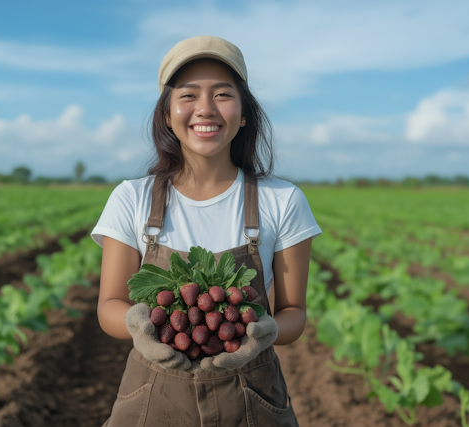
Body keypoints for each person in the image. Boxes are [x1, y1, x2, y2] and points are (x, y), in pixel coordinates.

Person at [92, 35, 322, 427]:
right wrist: (139, 325)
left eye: (222, 94)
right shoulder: (131, 198)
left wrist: (265, 331)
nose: (205, 109)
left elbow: (293, 314)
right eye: (188, 95)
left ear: (245, 112)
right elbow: (109, 305)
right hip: (154, 398)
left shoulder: (283, 200)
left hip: (252, 401)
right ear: (166, 114)